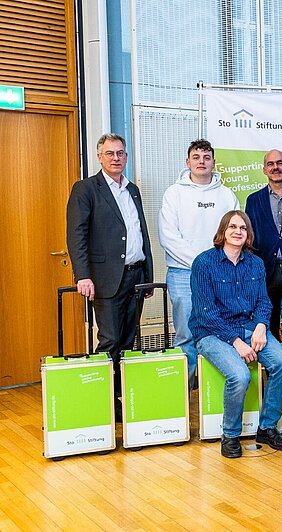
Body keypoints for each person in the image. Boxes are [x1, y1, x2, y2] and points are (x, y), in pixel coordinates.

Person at [190, 210, 282, 458]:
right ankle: (230, 435)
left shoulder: (256, 263)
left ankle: (267, 428)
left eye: (243, 228)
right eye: (233, 227)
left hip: (248, 326)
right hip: (211, 332)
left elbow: (263, 302)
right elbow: (206, 313)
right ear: (222, 231)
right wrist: (236, 342)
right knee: (239, 376)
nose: (238, 232)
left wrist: (261, 326)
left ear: (249, 234)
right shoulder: (204, 263)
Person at [66, 133, 153, 411]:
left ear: (126, 156)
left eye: (120, 153)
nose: (116, 158)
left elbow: (140, 232)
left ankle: (120, 397)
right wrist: (82, 275)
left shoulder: (132, 189)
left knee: (128, 340)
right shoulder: (86, 189)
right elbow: (76, 235)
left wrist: (148, 274)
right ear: (99, 157)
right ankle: (102, 402)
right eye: (110, 153)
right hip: (106, 279)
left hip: (136, 276)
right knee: (110, 340)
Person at [158, 139, 239, 386]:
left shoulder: (226, 195)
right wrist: (202, 265)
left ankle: (209, 390)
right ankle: (186, 391)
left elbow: (235, 234)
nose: (201, 161)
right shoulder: (174, 193)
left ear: (214, 162)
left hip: (221, 274)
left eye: (206, 157)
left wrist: (215, 267)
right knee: (186, 334)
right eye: (196, 157)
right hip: (183, 274)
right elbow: (168, 236)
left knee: (221, 329)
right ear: (188, 162)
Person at [245, 149, 282, 340]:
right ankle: (272, 357)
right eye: (270, 164)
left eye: (279, 163)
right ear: (264, 170)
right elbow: (249, 236)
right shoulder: (253, 200)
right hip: (265, 266)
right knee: (267, 319)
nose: (275, 167)